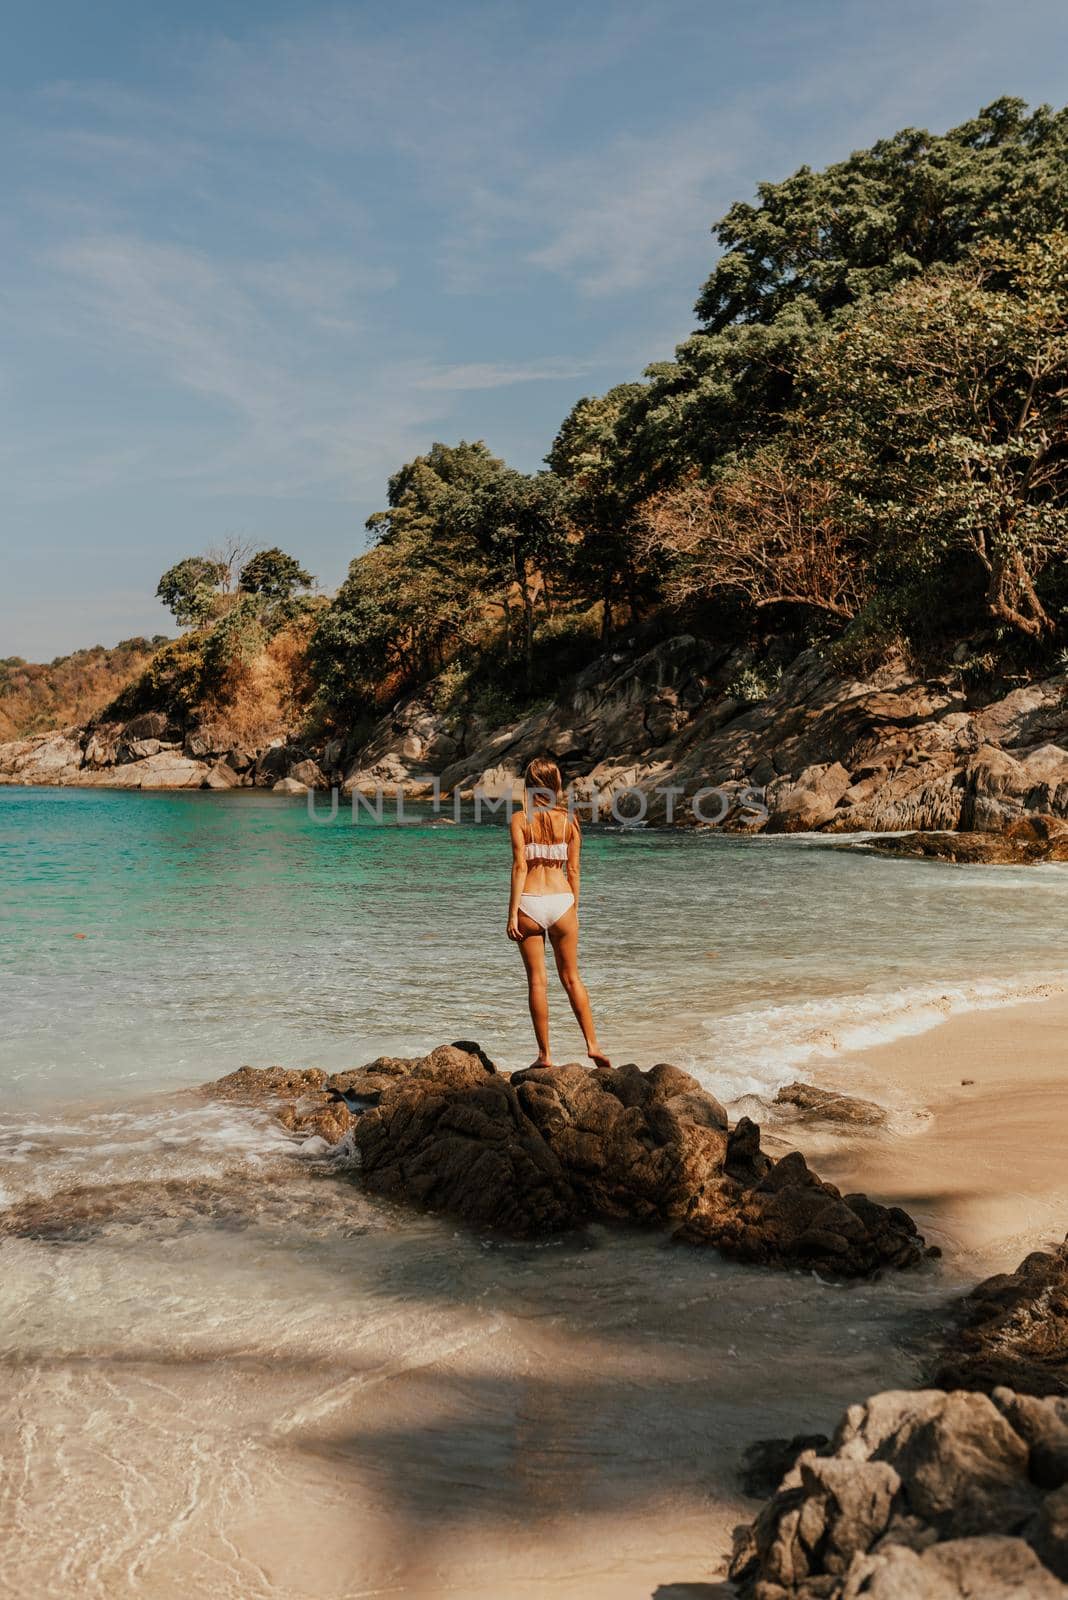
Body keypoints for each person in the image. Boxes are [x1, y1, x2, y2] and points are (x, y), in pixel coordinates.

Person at [506, 756, 610, 1069]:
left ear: (529, 786)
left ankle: (545, 1055)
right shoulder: (570, 821)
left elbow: (520, 866)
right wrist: (573, 906)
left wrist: (512, 914)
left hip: (530, 902)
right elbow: (574, 869)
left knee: (537, 981)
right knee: (572, 978)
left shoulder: (520, 819)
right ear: (556, 786)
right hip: (562, 901)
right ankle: (593, 1045)